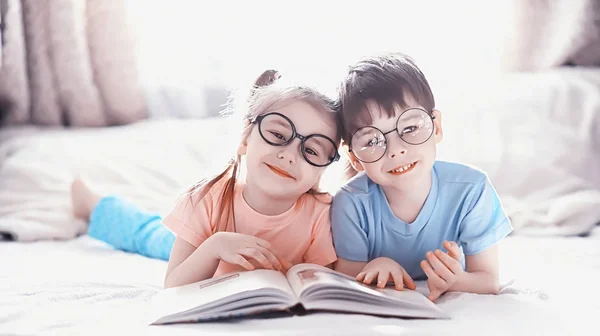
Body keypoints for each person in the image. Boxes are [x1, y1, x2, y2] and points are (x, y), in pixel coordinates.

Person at [71, 70, 342, 288]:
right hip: (200, 245)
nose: (290, 155)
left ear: (322, 169)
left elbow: (318, 283)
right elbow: (173, 285)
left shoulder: (321, 215)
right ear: (246, 137)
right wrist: (214, 246)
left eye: (311, 150)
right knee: (150, 235)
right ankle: (94, 204)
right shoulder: (206, 198)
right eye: (279, 135)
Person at [330, 53, 513, 301]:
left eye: (410, 128)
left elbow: (488, 280)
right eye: (372, 141)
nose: (396, 150)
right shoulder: (350, 203)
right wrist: (376, 267)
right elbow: (347, 278)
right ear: (354, 158)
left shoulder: (471, 190)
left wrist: (457, 281)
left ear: (436, 127)